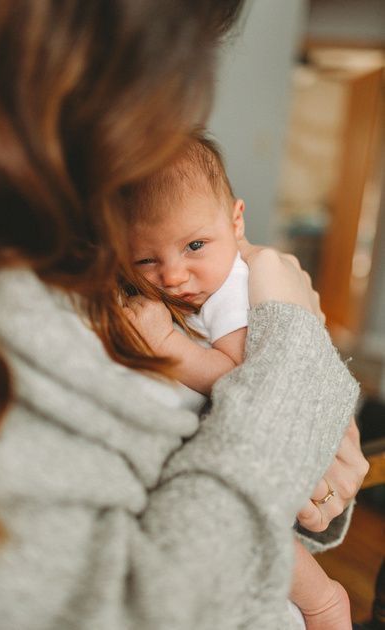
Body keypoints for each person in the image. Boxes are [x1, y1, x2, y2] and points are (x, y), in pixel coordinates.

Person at [0, 2, 369, 629]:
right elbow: (147, 604)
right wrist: (295, 350)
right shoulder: (3, 319)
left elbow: (255, 451)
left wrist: (312, 449)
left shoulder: (88, 254)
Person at [123, 132, 352, 629]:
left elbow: (238, 377)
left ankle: (325, 602)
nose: (174, 275)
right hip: (232, 453)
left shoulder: (234, 288)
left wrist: (169, 347)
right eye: (146, 259)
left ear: (237, 220)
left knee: (259, 532)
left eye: (195, 246)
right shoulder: (195, 283)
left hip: (264, 452)